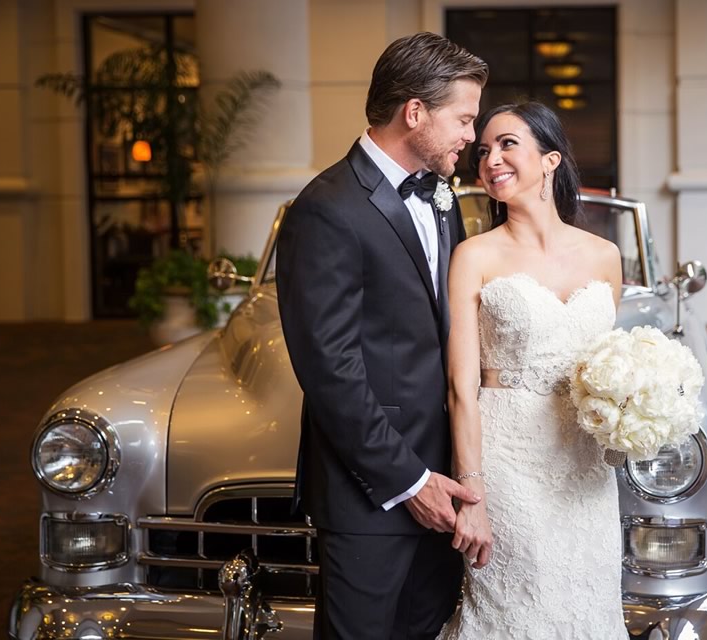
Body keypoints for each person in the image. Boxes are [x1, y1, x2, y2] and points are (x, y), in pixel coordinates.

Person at [276, 33, 488, 639]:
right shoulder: (326, 209)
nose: (470, 137)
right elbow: (329, 370)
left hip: (445, 483)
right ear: (415, 113)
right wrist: (408, 481)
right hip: (372, 492)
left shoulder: (443, 199)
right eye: (464, 119)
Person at [437, 102, 629, 638]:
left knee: (586, 608)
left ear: (550, 160)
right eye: (483, 150)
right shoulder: (474, 256)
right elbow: (460, 389)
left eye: (506, 144)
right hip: (508, 464)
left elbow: (609, 370)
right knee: (516, 611)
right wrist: (470, 496)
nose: (491, 159)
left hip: (585, 469)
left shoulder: (605, 256)